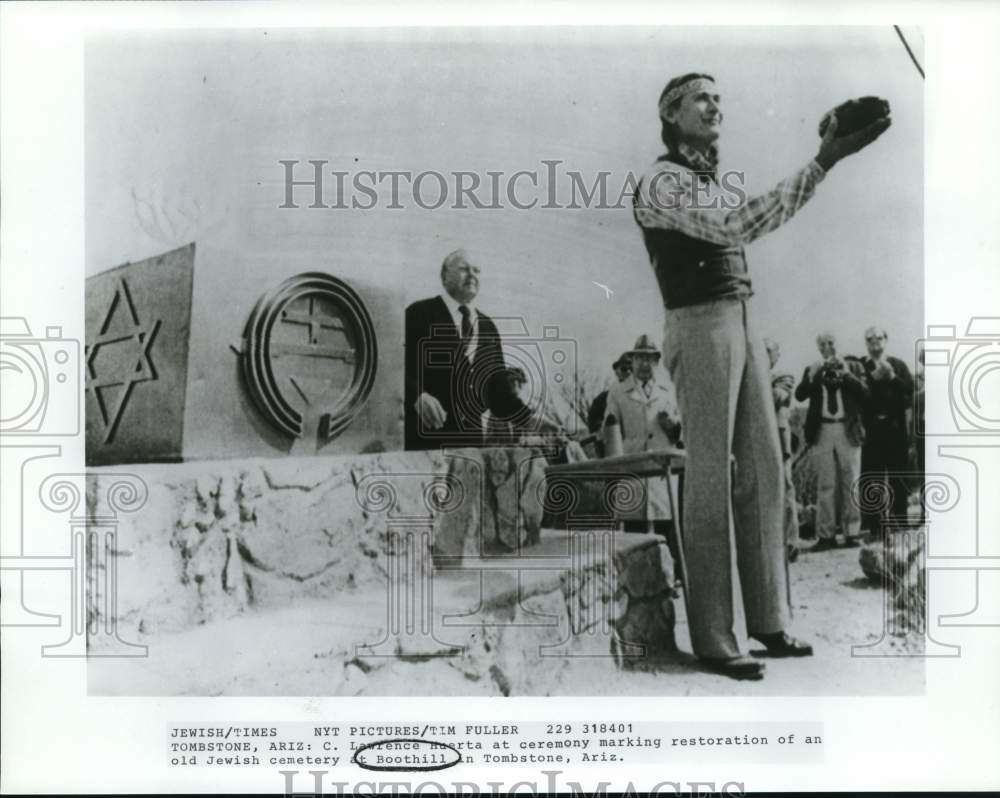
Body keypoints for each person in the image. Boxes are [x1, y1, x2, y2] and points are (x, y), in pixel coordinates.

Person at [633, 71, 889, 679]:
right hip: (699, 324)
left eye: (720, 96)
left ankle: (769, 620)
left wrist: (824, 161)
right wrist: (824, 159)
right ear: (671, 114)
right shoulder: (661, 179)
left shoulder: (706, 177)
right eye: (701, 97)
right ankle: (716, 637)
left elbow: (738, 218)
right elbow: (734, 225)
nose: (714, 104)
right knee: (710, 477)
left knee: (766, 470)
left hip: (740, 320)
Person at [404, 249, 531, 450]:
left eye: (477, 270)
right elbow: (394, 368)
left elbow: (497, 392)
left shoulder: (488, 327)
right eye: (464, 268)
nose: (472, 274)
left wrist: (531, 420)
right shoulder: (419, 313)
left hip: (470, 447)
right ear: (444, 276)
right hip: (423, 443)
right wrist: (417, 396)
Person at [604, 335, 684, 577]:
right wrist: (616, 466)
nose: (644, 364)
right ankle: (633, 581)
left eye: (650, 359)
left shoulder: (669, 390)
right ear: (632, 360)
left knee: (665, 526)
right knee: (634, 529)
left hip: (663, 472)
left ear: (657, 362)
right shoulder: (617, 391)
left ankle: (666, 580)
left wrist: (674, 426)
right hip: (632, 470)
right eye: (639, 358)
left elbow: (683, 428)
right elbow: (610, 428)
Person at [794, 333, 869, 551]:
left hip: (848, 428)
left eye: (831, 343)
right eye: (822, 344)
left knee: (851, 481)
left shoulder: (853, 366)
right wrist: (812, 376)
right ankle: (825, 535)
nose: (828, 348)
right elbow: (800, 395)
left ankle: (852, 532)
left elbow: (865, 392)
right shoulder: (813, 368)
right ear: (818, 348)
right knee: (826, 483)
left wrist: (846, 375)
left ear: (839, 344)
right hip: (823, 429)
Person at [859, 326, 914, 541]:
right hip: (871, 429)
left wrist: (892, 377)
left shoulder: (898, 365)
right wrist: (871, 378)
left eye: (879, 339)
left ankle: (900, 521)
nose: (875, 343)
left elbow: (908, 391)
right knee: (872, 477)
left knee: (898, 476)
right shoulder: (862, 366)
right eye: (870, 339)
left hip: (894, 428)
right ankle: (874, 526)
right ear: (866, 343)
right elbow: (858, 395)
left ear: (886, 340)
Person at [764, 338, 800, 562]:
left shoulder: (781, 376)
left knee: (785, 488)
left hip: (778, 439)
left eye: (769, 351)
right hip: (757, 439)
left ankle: (791, 542)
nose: (765, 355)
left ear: (776, 355)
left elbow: (779, 396)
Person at [587, 353, 633, 435]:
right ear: (617, 372)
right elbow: (595, 428)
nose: (629, 372)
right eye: (624, 369)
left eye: (632, 369)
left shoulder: (644, 398)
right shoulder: (602, 399)